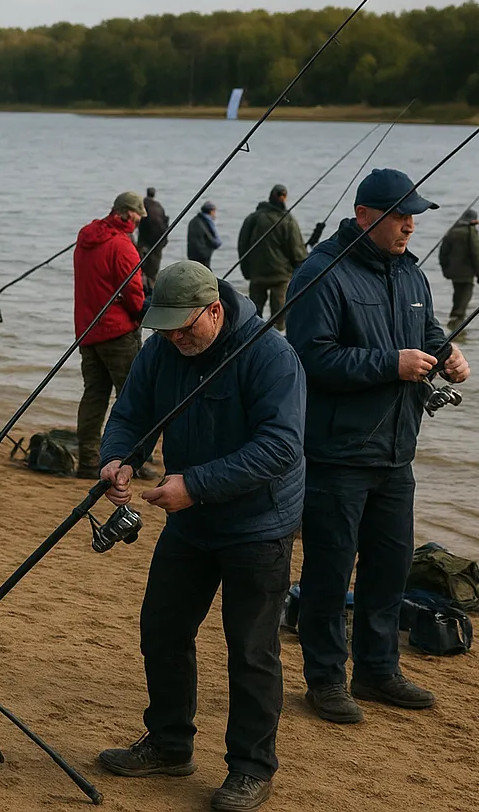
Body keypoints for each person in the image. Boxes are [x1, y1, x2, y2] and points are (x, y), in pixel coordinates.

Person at [97, 260, 305, 812]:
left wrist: (197, 484)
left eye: (184, 328)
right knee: (161, 629)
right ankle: (169, 744)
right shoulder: (162, 350)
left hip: (258, 525)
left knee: (252, 650)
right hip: (191, 523)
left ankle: (251, 768)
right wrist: (118, 457)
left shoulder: (269, 355)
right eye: (164, 328)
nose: (174, 338)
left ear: (214, 310)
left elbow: (281, 447)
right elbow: (131, 412)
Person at [286, 168, 470, 725]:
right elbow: (310, 357)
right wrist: (389, 365)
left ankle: (377, 669)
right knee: (329, 569)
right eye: (400, 215)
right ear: (365, 216)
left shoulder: (412, 274)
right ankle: (324, 679)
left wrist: (449, 352)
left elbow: (427, 332)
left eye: (415, 214)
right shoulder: (321, 273)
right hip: (337, 454)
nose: (411, 224)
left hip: (397, 451)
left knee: (389, 568)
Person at [73, 191, 146, 476]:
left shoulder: (85, 239)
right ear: (127, 214)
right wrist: (141, 311)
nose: (139, 220)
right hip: (117, 332)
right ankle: (130, 460)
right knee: (131, 397)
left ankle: (88, 460)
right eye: (138, 215)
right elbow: (134, 294)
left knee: (94, 396)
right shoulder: (122, 246)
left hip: (88, 331)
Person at [237, 184, 308, 330]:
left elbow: (242, 245)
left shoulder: (254, 218)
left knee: (253, 314)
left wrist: (246, 270)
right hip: (280, 276)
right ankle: (274, 342)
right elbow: (297, 251)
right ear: (284, 197)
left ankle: (252, 337)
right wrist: (302, 267)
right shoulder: (288, 220)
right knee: (279, 319)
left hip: (257, 273)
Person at [439, 207, 479, 328]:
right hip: (467, 273)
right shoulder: (470, 232)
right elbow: (477, 254)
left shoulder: (452, 231)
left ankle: (453, 321)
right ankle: (457, 324)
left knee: (457, 295)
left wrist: (446, 271)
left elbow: (443, 254)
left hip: (454, 273)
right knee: (465, 297)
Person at [138, 186, 169, 290]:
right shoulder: (158, 207)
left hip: (144, 241)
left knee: (141, 268)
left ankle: (145, 290)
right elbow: (164, 223)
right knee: (153, 271)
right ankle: (151, 291)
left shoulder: (142, 205)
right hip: (158, 242)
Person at [187, 201, 221, 268]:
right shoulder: (204, 222)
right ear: (211, 212)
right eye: (214, 212)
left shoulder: (196, 220)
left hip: (194, 255)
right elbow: (211, 239)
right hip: (201, 256)